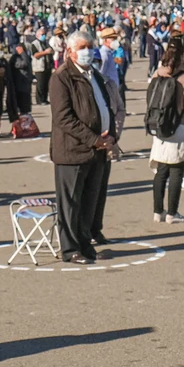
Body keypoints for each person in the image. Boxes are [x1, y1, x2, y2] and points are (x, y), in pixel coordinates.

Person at [48, 32, 118, 265]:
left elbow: (105, 106)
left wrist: (110, 135)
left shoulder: (94, 75)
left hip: (97, 149)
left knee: (90, 200)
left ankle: (86, 244)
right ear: (70, 51)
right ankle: (70, 249)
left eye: (90, 46)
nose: (87, 51)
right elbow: (63, 118)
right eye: (82, 47)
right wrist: (93, 138)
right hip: (72, 151)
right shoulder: (62, 77)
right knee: (71, 202)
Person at [147, 42, 184, 223]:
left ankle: (157, 211)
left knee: (161, 170)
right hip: (180, 126)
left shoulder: (158, 73)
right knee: (177, 170)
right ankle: (172, 213)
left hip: (160, 125)